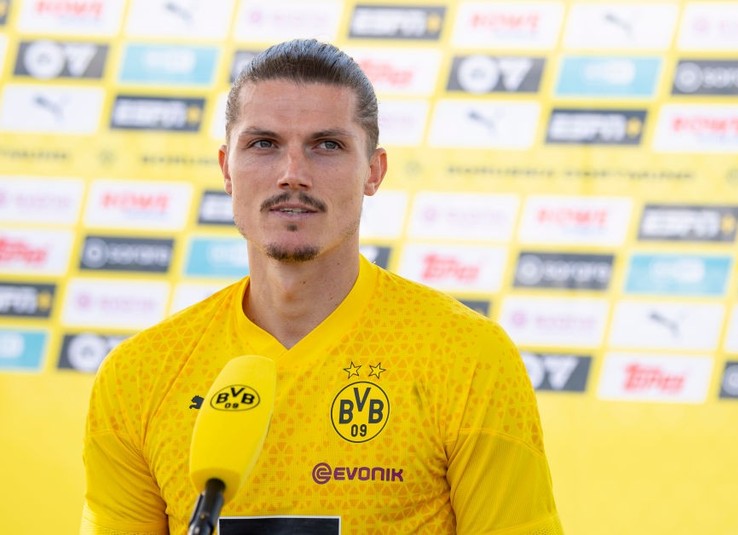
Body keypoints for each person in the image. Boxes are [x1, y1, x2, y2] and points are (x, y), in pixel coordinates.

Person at [80, 38, 563, 534]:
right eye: (263, 144)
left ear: (373, 172)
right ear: (227, 168)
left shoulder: (466, 357)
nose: (293, 174)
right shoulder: (140, 375)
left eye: (326, 145)